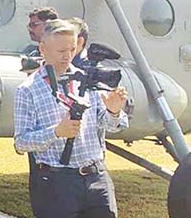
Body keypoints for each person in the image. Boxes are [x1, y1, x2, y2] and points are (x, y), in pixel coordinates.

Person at [14, 19, 129, 218]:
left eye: (72, 49)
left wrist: (114, 111)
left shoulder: (87, 80)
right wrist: (57, 132)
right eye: (61, 51)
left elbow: (113, 124)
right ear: (43, 49)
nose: (67, 56)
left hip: (96, 178)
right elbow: (21, 143)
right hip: (56, 184)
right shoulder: (28, 90)